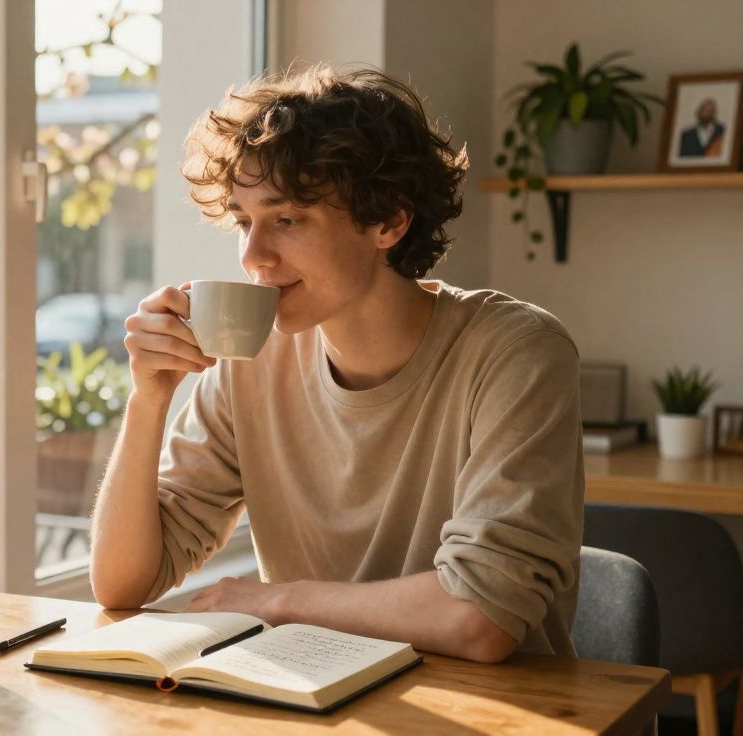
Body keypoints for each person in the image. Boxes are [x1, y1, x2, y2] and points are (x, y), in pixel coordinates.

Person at [91, 67, 583, 663]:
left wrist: (277, 601)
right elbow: (122, 584)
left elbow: (480, 619)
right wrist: (149, 399)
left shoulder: (515, 352)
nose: (252, 257)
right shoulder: (251, 361)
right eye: (244, 222)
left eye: (287, 219)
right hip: (322, 706)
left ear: (389, 222)